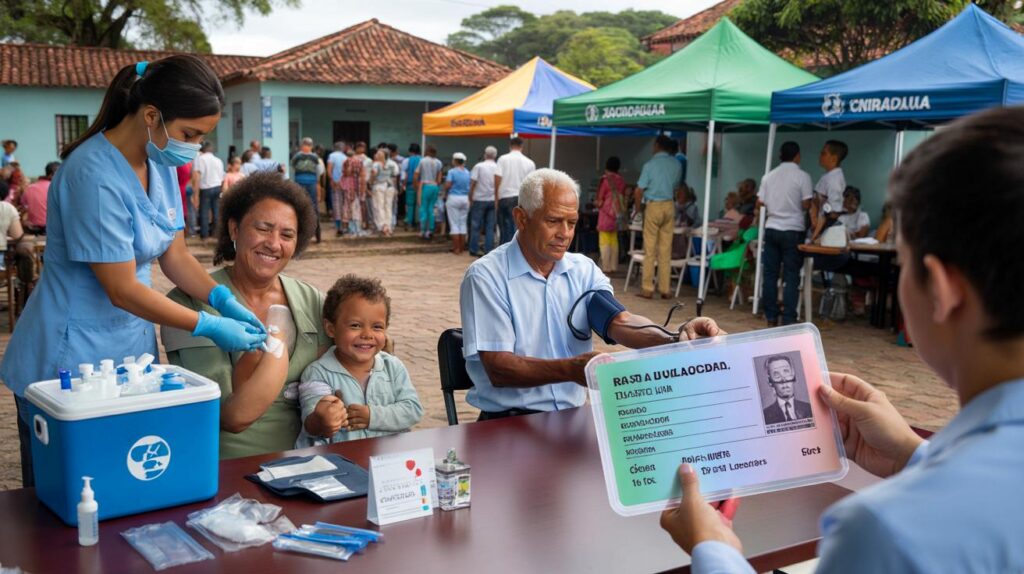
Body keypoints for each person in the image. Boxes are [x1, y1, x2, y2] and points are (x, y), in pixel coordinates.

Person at [660, 106, 1024, 574]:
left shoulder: (889, 532)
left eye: (905, 265)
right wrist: (916, 455)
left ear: (943, 290)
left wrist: (712, 548)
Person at [1, 56, 267, 487]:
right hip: (68, 356)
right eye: (189, 134)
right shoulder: (93, 175)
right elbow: (122, 289)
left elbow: (174, 255)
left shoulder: (159, 166)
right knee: (68, 491)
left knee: (122, 481)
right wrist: (209, 326)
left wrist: (223, 299)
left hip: (126, 349)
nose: (194, 147)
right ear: (150, 116)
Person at [459, 168, 723, 420]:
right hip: (508, 422)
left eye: (572, 223)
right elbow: (499, 368)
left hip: (571, 419)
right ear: (521, 218)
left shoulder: (582, 270)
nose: (564, 234)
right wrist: (570, 370)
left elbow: (618, 321)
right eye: (553, 221)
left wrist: (676, 338)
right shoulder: (487, 276)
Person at [164, 172, 328, 459]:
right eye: (263, 229)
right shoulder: (187, 304)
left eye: (287, 235)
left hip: (308, 461)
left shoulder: (312, 300)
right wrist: (276, 344)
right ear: (234, 229)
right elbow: (230, 416)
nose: (274, 244)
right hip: (228, 467)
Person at [295, 275, 423, 446]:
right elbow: (311, 423)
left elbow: (413, 410)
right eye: (355, 325)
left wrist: (372, 416)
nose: (367, 335)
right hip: (339, 463)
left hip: (389, 461)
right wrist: (323, 419)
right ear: (331, 328)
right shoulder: (318, 372)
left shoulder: (392, 366)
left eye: (377, 327)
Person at [757, 140, 812, 327]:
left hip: (772, 228)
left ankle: (770, 315)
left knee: (770, 274)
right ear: (797, 156)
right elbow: (806, 204)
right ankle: (789, 317)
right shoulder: (803, 177)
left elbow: (760, 201)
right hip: (793, 230)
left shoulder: (768, 176)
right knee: (791, 275)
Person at [637, 135, 682, 299]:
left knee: (650, 249)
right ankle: (665, 289)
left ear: (657, 145)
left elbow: (639, 189)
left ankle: (647, 288)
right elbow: (676, 186)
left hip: (653, 205)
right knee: (665, 249)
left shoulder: (649, 165)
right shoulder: (676, 164)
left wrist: (637, 208)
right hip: (669, 205)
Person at [494, 137, 535, 245]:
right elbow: (531, 184)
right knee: (518, 227)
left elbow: (497, 178)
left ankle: (504, 253)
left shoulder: (502, 159)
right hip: (521, 198)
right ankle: (516, 253)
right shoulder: (530, 163)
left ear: (510, 145)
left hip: (505, 197)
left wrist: (496, 197)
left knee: (504, 228)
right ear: (522, 146)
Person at [810, 140, 848, 243]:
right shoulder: (828, 176)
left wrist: (816, 234)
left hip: (829, 229)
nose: (820, 156)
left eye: (824, 153)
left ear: (834, 158)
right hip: (822, 226)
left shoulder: (834, 180)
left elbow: (831, 213)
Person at [595, 156, 626, 273]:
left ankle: (606, 267)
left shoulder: (605, 180)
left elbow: (600, 198)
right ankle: (614, 267)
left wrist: (597, 203)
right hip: (617, 214)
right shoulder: (621, 180)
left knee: (604, 239)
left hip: (605, 214)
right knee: (614, 239)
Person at [760, 355, 812, 423]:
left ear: (793, 375)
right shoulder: (765, 416)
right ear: (770, 382)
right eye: (776, 374)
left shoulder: (809, 409)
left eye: (786, 371)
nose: (783, 379)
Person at [468, 146, 499, 256]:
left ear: (485, 154)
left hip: (479, 199)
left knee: (475, 225)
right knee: (490, 227)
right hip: (492, 200)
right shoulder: (498, 167)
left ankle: (473, 249)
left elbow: (472, 183)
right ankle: (488, 250)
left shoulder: (479, 166)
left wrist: (470, 197)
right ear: (495, 156)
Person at [191, 140, 225, 239]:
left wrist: (195, 194)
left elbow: (197, 177)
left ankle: (204, 235)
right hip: (217, 187)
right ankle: (217, 234)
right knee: (216, 212)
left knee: (204, 212)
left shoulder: (200, 159)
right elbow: (223, 177)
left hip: (205, 188)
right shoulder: (218, 160)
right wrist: (222, 190)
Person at [291, 137, 322, 244]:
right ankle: (300, 234)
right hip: (301, 182)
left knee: (313, 208)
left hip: (311, 183)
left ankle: (317, 234)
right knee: (300, 207)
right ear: (302, 146)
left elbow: (318, 172)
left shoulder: (314, 157)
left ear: (311, 146)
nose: (307, 147)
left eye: (308, 145)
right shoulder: (298, 156)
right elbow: (294, 167)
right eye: (305, 145)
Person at [20, 161, 58, 234]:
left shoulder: (29, 188)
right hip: (51, 229)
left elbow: (23, 208)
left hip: (32, 228)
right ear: (51, 175)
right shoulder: (55, 187)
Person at [414, 145, 443, 240]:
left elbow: (416, 174)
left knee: (423, 208)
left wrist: (416, 186)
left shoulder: (423, 160)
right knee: (431, 209)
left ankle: (422, 230)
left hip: (425, 185)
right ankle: (430, 230)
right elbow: (439, 179)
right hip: (434, 186)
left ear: (427, 151)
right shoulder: (438, 162)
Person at [445, 152, 471, 254]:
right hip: (465, 198)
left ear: (455, 161)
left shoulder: (452, 172)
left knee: (454, 224)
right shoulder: (468, 172)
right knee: (463, 223)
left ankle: (456, 249)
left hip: (454, 198)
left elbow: (448, 184)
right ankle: (461, 248)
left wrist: (445, 190)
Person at [369, 148, 399, 236]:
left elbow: (373, 175)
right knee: (388, 207)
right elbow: (395, 175)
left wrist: (371, 182)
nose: (376, 155)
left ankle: (382, 226)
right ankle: (388, 226)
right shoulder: (392, 164)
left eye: (378, 154)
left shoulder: (376, 164)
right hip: (390, 186)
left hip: (379, 186)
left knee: (379, 206)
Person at [341, 142, 369, 237]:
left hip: (347, 186)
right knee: (356, 207)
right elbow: (362, 175)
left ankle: (350, 229)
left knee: (347, 208)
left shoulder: (345, 162)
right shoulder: (359, 162)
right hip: (357, 185)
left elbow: (344, 173)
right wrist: (363, 189)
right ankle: (357, 229)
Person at [327, 141, 347, 236]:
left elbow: (329, 169)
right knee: (344, 204)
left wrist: (332, 180)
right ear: (343, 148)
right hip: (344, 183)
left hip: (335, 183)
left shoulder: (332, 156)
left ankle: (338, 226)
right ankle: (343, 226)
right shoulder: (345, 157)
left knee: (336, 204)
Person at [401, 143, 422, 230]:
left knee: (410, 205)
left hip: (410, 185)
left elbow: (405, 175)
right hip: (421, 185)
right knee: (419, 204)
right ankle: (418, 223)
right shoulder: (423, 160)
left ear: (410, 151)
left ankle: (410, 224)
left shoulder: (407, 160)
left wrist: (403, 184)